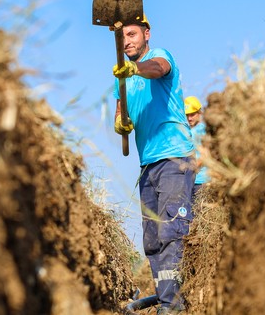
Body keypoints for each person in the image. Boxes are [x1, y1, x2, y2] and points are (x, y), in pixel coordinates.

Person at [112, 16, 195, 314]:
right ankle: (167, 301)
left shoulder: (158, 57)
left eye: (132, 34)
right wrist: (120, 125)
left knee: (172, 231)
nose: (127, 42)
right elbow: (120, 112)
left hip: (175, 157)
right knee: (152, 241)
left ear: (146, 34)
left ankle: (173, 306)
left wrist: (135, 68)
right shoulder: (121, 78)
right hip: (147, 165)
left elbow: (158, 68)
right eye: (122, 38)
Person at [184, 96, 209, 203]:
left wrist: (191, 169)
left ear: (200, 113)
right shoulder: (185, 131)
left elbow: (207, 154)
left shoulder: (203, 129)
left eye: (192, 114)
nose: (189, 118)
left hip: (203, 182)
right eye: (187, 115)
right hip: (189, 183)